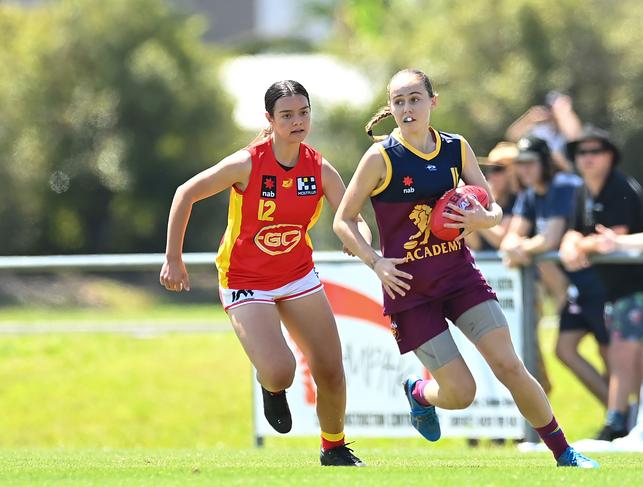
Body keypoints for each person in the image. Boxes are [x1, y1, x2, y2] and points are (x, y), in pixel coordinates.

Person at [333, 68, 598, 468]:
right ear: (390, 108)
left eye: (415, 99)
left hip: (459, 277)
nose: (407, 108)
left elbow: (492, 209)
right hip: (409, 290)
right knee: (461, 393)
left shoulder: (456, 148)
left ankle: (564, 452)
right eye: (399, 101)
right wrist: (375, 262)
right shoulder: (381, 157)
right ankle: (420, 392)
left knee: (510, 364)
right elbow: (343, 219)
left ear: (432, 102)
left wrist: (481, 220)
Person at [159, 80, 370, 466]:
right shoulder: (247, 163)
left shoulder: (320, 168)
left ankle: (334, 447)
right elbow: (184, 193)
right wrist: (174, 258)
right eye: (287, 115)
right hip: (244, 280)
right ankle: (270, 387)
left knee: (331, 369)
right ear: (269, 119)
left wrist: (358, 239)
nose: (297, 121)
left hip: (297, 275)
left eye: (303, 113)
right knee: (281, 371)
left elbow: (352, 219)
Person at [500, 136, 609, 406]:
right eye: (520, 164)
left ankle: (627, 421)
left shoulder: (563, 185)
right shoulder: (528, 194)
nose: (523, 170)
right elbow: (510, 239)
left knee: (613, 357)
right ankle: (620, 418)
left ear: (545, 162)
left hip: (602, 283)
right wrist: (517, 246)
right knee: (565, 349)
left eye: (530, 163)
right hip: (579, 289)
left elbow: (550, 239)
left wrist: (521, 248)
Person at [560, 126, 643, 440]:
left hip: (638, 286)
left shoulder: (619, 187)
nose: (588, 158)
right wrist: (571, 244)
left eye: (595, 151)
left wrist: (580, 246)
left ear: (610, 155)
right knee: (629, 357)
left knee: (625, 353)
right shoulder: (583, 190)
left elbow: (615, 237)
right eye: (582, 152)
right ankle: (632, 422)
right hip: (617, 289)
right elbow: (575, 231)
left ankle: (616, 422)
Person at [506, 91, 582, 173]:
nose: (552, 112)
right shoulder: (543, 129)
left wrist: (563, 113)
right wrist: (528, 119)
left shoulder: (569, 126)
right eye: (550, 108)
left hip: (566, 173)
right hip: (542, 173)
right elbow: (511, 136)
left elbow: (574, 137)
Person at [465, 142, 519, 252]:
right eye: (489, 170)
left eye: (496, 169)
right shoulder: (487, 200)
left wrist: (477, 216)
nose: (490, 175)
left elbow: (500, 240)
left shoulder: (520, 199)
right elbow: (476, 245)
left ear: (513, 172)